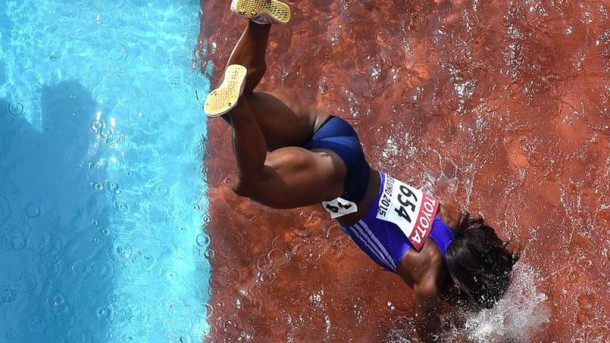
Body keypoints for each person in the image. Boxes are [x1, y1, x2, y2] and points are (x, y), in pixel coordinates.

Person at [204, 0, 520, 341]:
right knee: (250, 180)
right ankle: (238, 109)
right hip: (339, 182)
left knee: (233, 100)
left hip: (338, 139)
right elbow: (426, 339)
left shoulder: (453, 216)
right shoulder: (428, 282)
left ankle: (260, 20)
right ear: (462, 286)